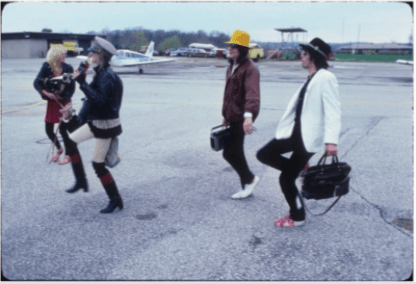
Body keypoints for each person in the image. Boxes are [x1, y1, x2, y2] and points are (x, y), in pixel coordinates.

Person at [256, 38, 341, 228]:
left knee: (285, 179)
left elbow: (333, 111)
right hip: (295, 135)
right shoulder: (312, 77)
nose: (300, 57)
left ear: (313, 57)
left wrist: (331, 141)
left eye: (303, 54)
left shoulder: (325, 77)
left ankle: (297, 216)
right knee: (264, 154)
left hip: (307, 138)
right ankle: (304, 170)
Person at [63, 36, 124, 214]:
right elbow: (90, 100)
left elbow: (98, 101)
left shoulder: (107, 77)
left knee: (98, 165)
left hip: (105, 126)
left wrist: (81, 83)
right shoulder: (100, 73)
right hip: (96, 121)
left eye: (93, 53)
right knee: (70, 141)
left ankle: (115, 199)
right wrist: (77, 118)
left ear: (101, 56)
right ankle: (81, 180)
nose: (89, 55)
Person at [221, 30, 261, 199]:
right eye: (230, 45)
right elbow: (229, 95)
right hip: (232, 117)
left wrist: (248, 117)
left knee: (231, 152)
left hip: (241, 118)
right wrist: (225, 115)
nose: (230, 48)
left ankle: (249, 180)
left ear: (243, 49)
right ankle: (248, 181)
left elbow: (252, 95)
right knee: (232, 152)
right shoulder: (231, 67)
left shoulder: (250, 69)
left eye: (234, 46)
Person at [34, 44, 75, 165]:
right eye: (62, 53)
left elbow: (72, 87)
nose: (64, 56)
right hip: (52, 102)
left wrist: (64, 96)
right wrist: (46, 93)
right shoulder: (46, 66)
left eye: (64, 54)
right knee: (48, 129)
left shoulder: (68, 67)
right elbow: (37, 82)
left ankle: (68, 154)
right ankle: (59, 148)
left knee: (63, 130)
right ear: (56, 55)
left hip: (65, 102)